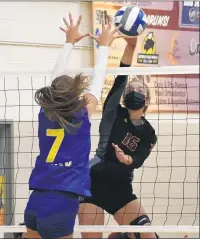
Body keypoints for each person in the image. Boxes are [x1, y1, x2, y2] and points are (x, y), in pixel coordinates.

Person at [24, 13, 121, 239]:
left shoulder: (44, 112)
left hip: (35, 201)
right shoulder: (82, 113)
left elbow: (55, 80)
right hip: (61, 202)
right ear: (75, 95)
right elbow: (98, 79)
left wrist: (68, 43)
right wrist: (104, 46)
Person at [79, 37, 159, 239]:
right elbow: (120, 79)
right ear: (124, 97)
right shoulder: (113, 112)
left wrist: (128, 160)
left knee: (147, 236)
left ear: (147, 100)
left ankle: (118, 235)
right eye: (131, 89)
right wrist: (130, 47)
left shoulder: (149, 133)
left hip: (120, 188)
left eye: (140, 90)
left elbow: (139, 159)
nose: (134, 91)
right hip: (92, 181)